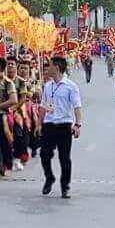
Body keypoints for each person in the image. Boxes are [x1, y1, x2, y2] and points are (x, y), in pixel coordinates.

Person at [38, 55, 82, 198]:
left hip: (64, 125)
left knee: (64, 158)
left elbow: (77, 106)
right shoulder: (47, 86)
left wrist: (78, 125)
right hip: (49, 125)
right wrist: (39, 123)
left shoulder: (71, 86)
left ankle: (65, 187)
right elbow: (43, 106)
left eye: (50, 65)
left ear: (56, 68)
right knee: (44, 154)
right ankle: (49, 177)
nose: (47, 68)